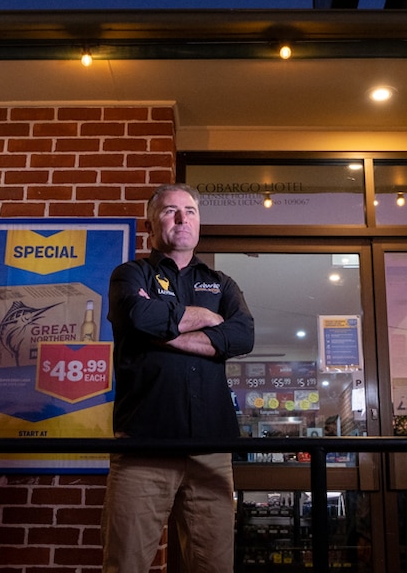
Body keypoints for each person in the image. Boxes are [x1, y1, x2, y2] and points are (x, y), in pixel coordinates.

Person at [102, 183, 255, 573]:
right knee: (126, 565)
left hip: (211, 451)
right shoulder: (130, 273)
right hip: (144, 448)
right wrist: (204, 318)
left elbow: (242, 335)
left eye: (190, 211)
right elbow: (137, 316)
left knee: (214, 566)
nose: (183, 218)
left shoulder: (221, 284)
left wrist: (164, 331)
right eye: (171, 211)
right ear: (151, 223)